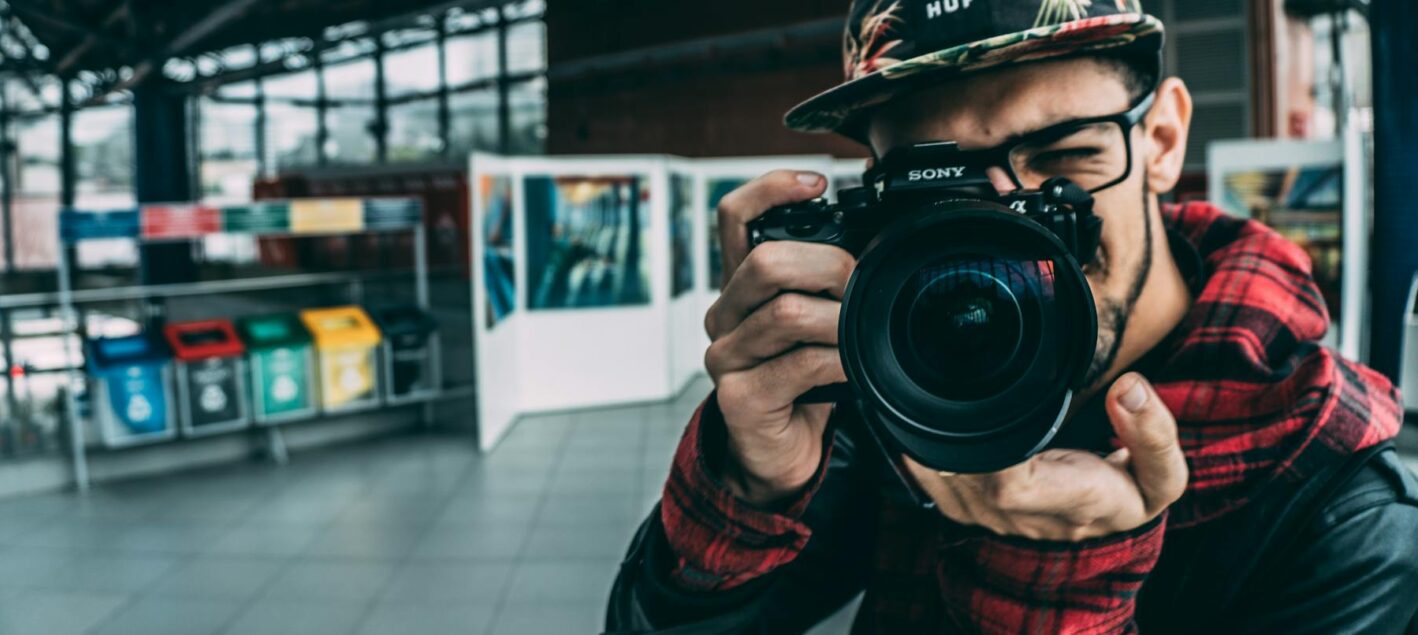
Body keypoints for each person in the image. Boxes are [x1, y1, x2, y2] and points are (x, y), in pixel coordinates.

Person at [605, 1, 1418, 633]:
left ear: (1163, 138)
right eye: (944, 187)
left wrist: (1060, 595)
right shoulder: (883, 377)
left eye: (1065, 161)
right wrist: (750, 484)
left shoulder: (1342, 510)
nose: (1011, 231)